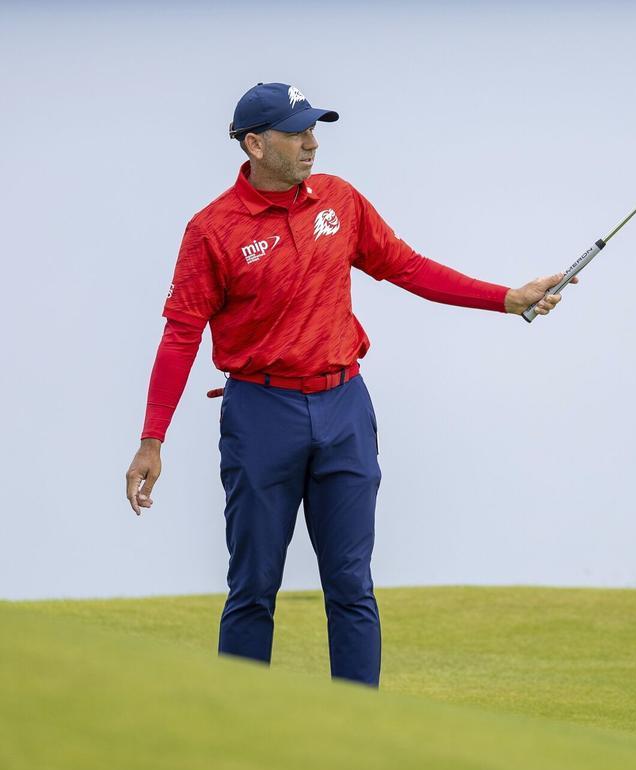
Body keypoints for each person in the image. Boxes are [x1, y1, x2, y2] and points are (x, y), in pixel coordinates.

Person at [123, 82, 574, 687]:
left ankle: (358, 733)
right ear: (255, 144)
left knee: (351, 584)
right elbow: (180, 336)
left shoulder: (340, 200)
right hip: (261, 411)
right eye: (296, 132)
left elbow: (406, 266)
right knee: (253, 585)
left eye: (314, 129)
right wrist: (153, 439)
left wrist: (504, 298)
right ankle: (234, 729)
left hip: (344, 407)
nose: (312, 142)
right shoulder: (212, 230)